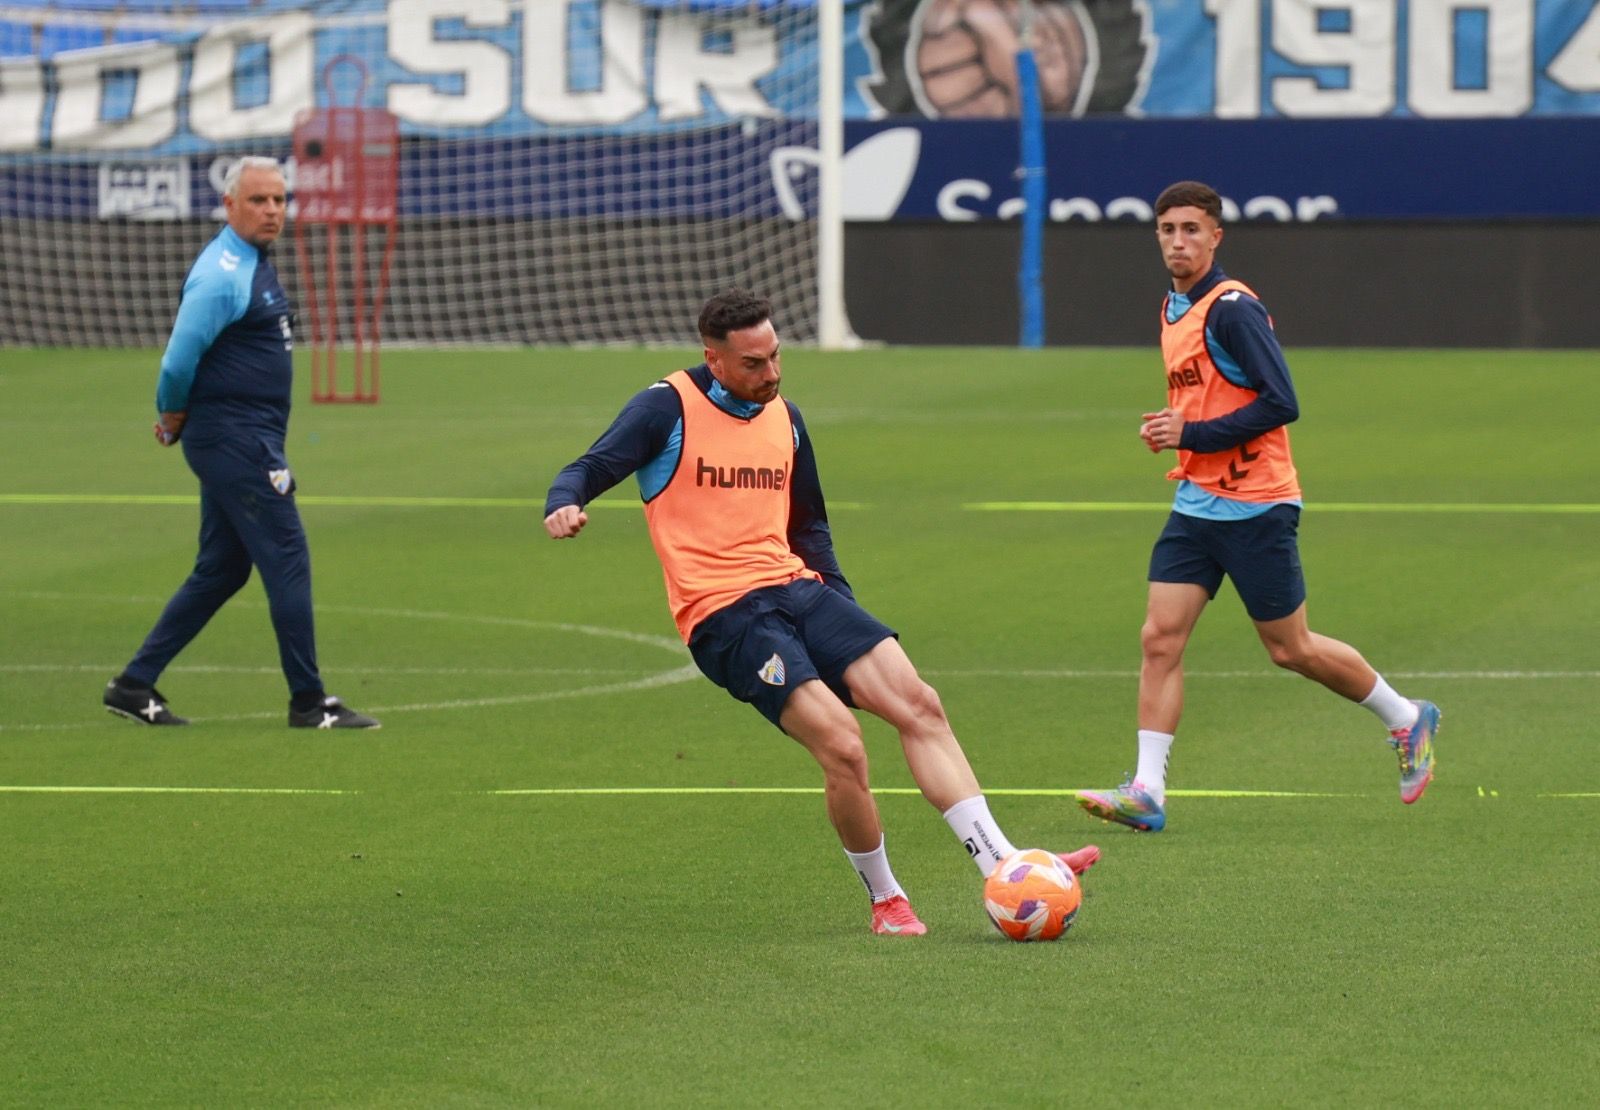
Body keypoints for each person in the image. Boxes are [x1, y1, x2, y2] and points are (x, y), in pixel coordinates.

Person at [545, 289, 1098, 935]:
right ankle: (887, 900)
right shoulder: (664, 409)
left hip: (799, 588)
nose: (771, 373)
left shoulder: (787, 418)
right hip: (725, 614)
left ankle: (1005, 866)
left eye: (776, 356)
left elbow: (811, 528)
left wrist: (842, 609)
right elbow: (589, 467)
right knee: (844, 744)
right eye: (753, 363)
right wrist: (564, 504)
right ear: (714, 360)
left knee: (919, 703)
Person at [1075, 180, 1437, 833]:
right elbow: (1211, 397)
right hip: (1196, 501)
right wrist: (1176, 427)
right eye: (1167, 230)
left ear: (1216, 236)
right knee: (1159, 638)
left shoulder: (1232, 308)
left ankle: (1407, 719)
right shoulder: (1173, 306)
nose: (1178, 241)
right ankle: (1147, 790)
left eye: (1191, 229)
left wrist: (1190, 434)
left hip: (1257, 504)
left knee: (1290, 649)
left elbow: (1281, 403)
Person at [102, 156, 378, 731]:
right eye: (258, 200)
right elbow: (178, 359)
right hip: (236, 442)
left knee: (222, 569)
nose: (272, 211)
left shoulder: (250, 261)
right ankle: (309, 702)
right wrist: (171, 414)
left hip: (240, 438)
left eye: (279, 200)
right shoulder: (224, 273)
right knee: (286, 557)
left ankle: (133, 684)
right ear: (229, 206)